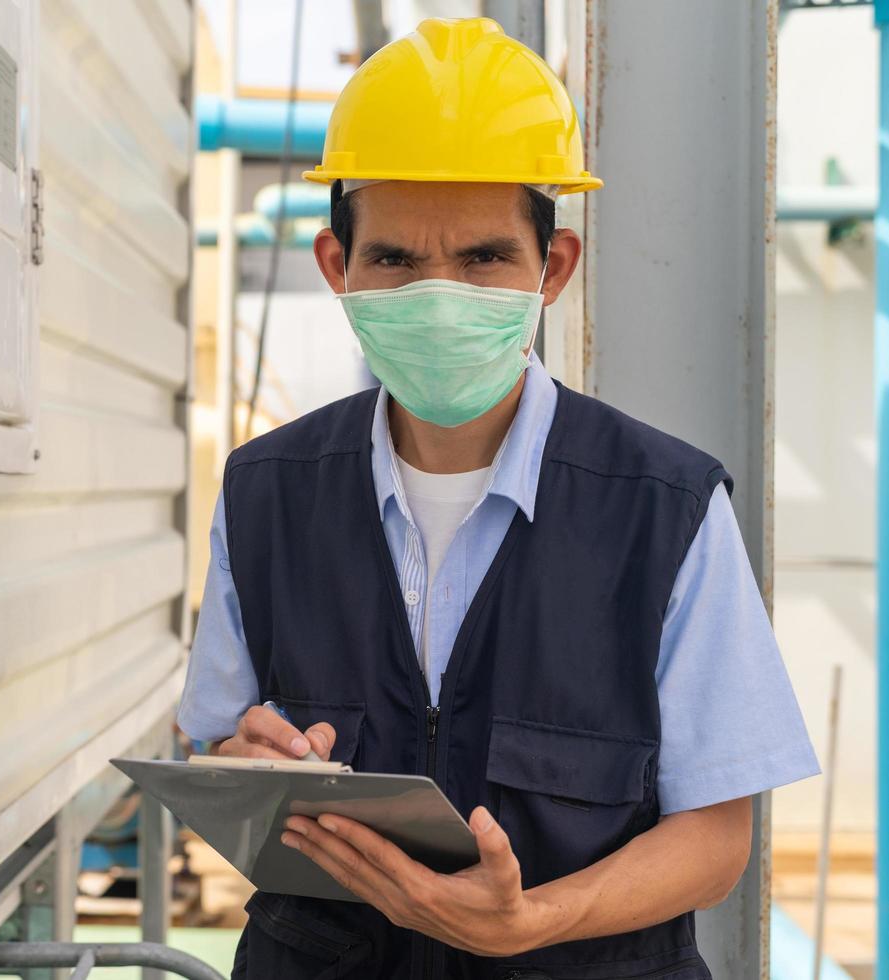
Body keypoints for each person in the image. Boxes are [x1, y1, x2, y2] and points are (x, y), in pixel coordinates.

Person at [176, 17, 819, 979]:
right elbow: (219, 752)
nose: (439, 293)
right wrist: (248, 762)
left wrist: (537, 920)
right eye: (393, 259)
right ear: (334, 268)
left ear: (548, 270)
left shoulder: (665, 509)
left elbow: (716, 837)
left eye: (482, 259)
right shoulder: (266, 493)